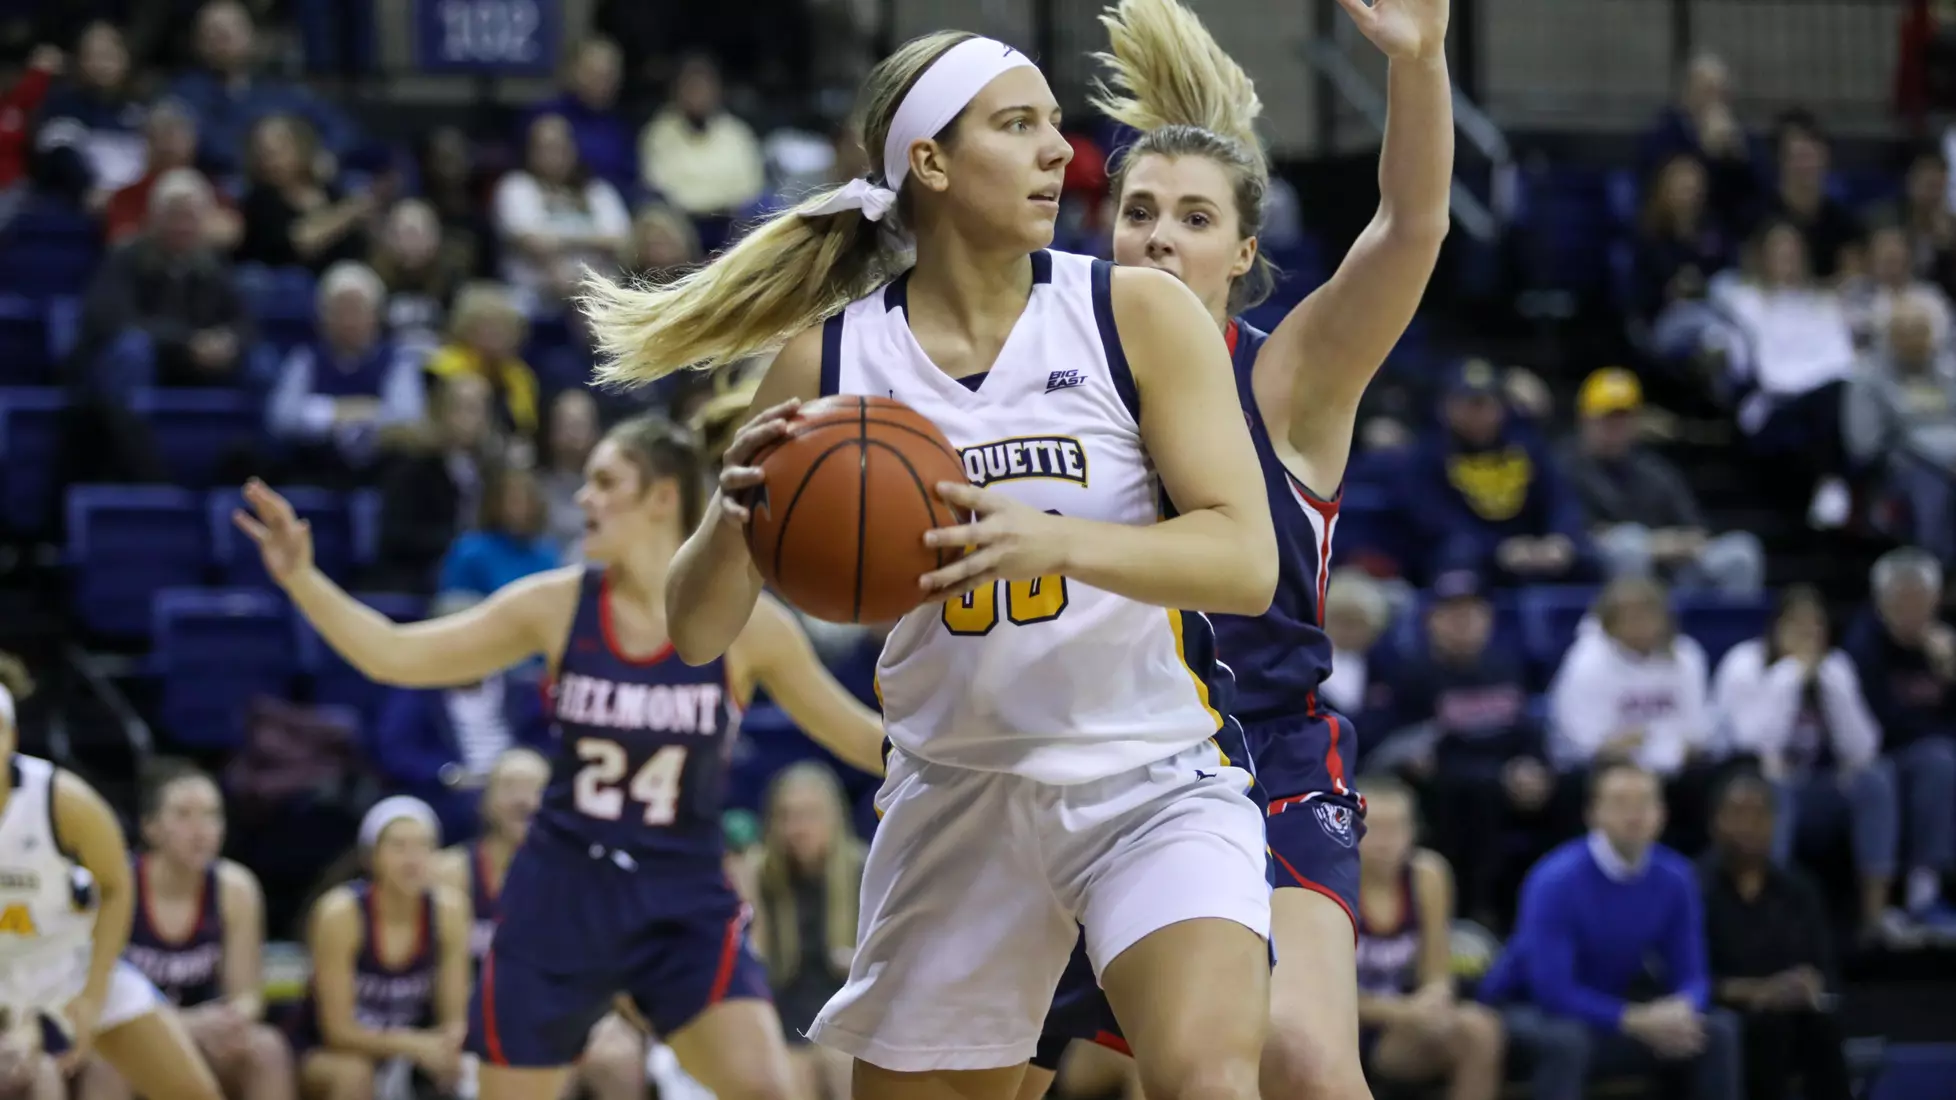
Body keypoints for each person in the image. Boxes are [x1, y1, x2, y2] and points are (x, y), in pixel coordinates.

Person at [584, 23, 1289, 1100]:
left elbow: (1245, 560)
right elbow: (694, 629)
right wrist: (732, 519)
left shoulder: (1127, 313)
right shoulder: (832, 360)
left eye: (1058, 125)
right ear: (931, 161)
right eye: (1019, 125)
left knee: (1207, 1078)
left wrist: (1054, 539)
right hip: (958, 799)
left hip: (1149, 775)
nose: (1061, 151)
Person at [1017, 0, 1454, 1094]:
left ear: (1244, 249)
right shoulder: (1045, 387)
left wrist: (1421, 63)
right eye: (1141, 210)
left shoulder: (1287, 379)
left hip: (1264, 753)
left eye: (1196, 217)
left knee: (1301, 1054)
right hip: (1087, 760)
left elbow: (1410, 228)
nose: (1160, 233)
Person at [233, 413, 886, 1100]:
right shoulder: (555, 606)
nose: (583, 500)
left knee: (767, 1091)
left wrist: (985, 758)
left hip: (682, 897)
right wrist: (303, 578)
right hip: (562, 894)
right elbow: (396, 655)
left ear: (664, 496)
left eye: (605, 482)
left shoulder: (747, 624)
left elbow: (857, 737)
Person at [0, 654, 223, 1100]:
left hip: (68, 967)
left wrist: (92, 997)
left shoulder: (63, 800)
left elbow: (117, 885)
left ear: (13, 737)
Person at [1482, 761, 1742, 1100]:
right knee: (1567, 1042)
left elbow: (1693, 975)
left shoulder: (1677, 877)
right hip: (1524, 1007)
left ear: (1661, 813)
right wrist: (1635, 1020)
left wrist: (1682, 1008)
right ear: (1594, 813)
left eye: (1645, 803)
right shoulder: (1555, 879)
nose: (1634, 815)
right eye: (1620, 803)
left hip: (1610, 1005)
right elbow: (1553, 991)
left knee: (1716, 1030)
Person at [430, 749, 648, 1100]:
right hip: (476, 1013)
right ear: (485, 802)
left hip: (559, 1009)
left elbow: (598, 967)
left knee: (617, 1056)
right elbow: (438, 967)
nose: (522, 800)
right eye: (509, 787)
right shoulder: (450, 873)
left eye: (534, 788)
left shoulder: (580, 873)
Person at [76, 762, 293, 1100]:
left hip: (207, 1032)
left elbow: (248, 994)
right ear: (150, 828)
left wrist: (233, 1018)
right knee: (108, 1059)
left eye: (211, 815)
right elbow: (95, 998)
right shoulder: (119, 886)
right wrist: (187, 1023)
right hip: (128, 1030)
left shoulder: (235, 888)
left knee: (267, 1048)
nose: (201, 829)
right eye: (183, 815)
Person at [1710, 586, 1899, 941]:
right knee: (1774, 789)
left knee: (1877, 778)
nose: (1807, 636)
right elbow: (1752, 745)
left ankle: (1875, 916)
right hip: (1761, 783)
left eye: (1815, 627)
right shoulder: (1744, 664)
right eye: (1796, 625)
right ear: (1775, 627)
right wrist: (1789, 678)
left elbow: (1863, 748)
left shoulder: (1836, 668)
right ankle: (1771, 917)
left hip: (1819, 789)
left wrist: (1831, 687)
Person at [289, 799, 470, 1100]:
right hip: (325, 1051)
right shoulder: (340, 914)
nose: (412, 859)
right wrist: (415, 1045)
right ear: (371, 857)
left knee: (478, 1067)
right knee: (355, 1074)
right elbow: (338, 1032)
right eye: (399, 847)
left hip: (411, 1047)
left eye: (423, 847)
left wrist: (449, 1045)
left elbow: (454, 1018)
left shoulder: (449, 910)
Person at [1697, 774, 1851, 1100]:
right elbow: (1687, 978)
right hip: (1726, 1013)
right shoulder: (1692, 888)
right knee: (1768, 1028)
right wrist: (1755, 992)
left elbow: (1825, 969)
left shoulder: (1799, 889)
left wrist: (1811, 985)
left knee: (1823, 1024)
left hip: (1791, 1012)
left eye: (1760, 814)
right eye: (1737, 813)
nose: (1749, 825)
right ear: (1714, 823)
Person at [1352, 779, 1505, 1100]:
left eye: (1397, 828)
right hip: (1343, 1027)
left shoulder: (1427, 875)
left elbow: (1437, 971)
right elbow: (1324, 996)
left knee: (1479, 1029)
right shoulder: (1333, 881)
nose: (1386, 841)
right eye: (1375, 828)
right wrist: (1404, 1012)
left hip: (1399, 1026)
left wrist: (1434, 1000)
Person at [754, 764, 866, 1100]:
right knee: (786, 1078)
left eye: (809, 815)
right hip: (785, 1024)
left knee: (839, 1063)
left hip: (848, 1025)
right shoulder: (762, 878)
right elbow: (758, 970)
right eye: (786, 816)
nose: (797, 829)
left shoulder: (865, 872)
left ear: (834, 818)